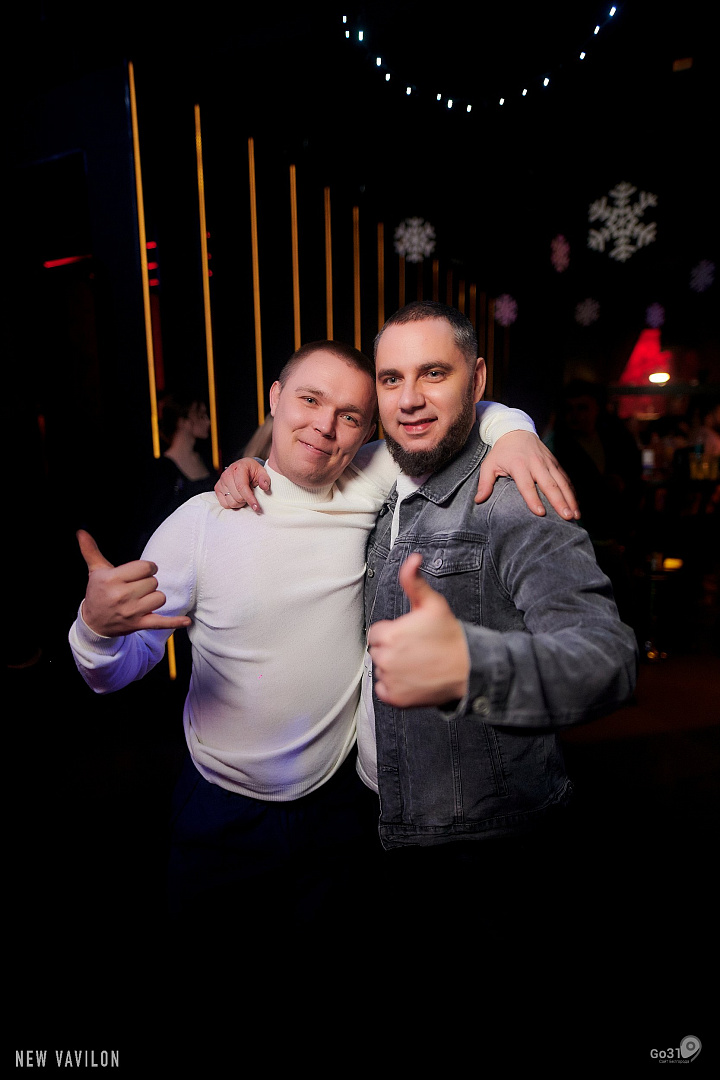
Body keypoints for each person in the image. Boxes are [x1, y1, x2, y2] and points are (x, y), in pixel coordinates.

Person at [68, 337, 578, 940]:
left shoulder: (364, 482)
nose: (324, 427)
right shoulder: (201, 523)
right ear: (276, 398)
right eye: (310, 400)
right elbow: (113, 675)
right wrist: (94, 628)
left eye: (350, 416)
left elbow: (459, 422)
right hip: (222, 812)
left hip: (338, 809)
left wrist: (516, 432)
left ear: (366, 433)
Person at [358, 304, 638, 932]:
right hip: (371, 817)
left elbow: (609, 657)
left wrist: (472, 668)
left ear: (478, 380)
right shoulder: (369, 490)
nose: (409, 399)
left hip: (483, 848)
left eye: (434, 373)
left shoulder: (512, 497)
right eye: (391, 378)